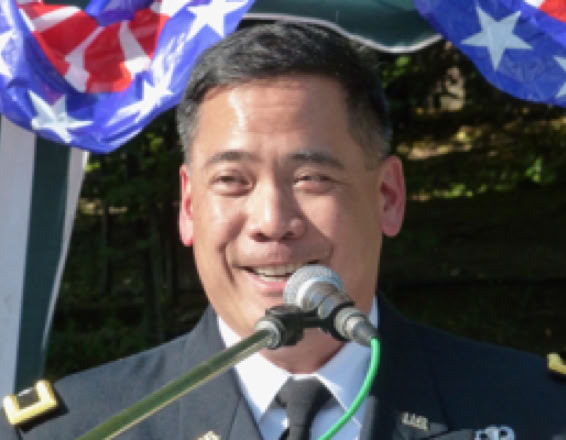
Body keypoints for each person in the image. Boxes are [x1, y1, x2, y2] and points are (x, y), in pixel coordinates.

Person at [2, 22, 566, 440]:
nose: (272, 222)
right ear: (190, 206)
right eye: (232, 181)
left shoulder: (537, 414)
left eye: (312, 178)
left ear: (388, 197)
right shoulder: (79, 429)